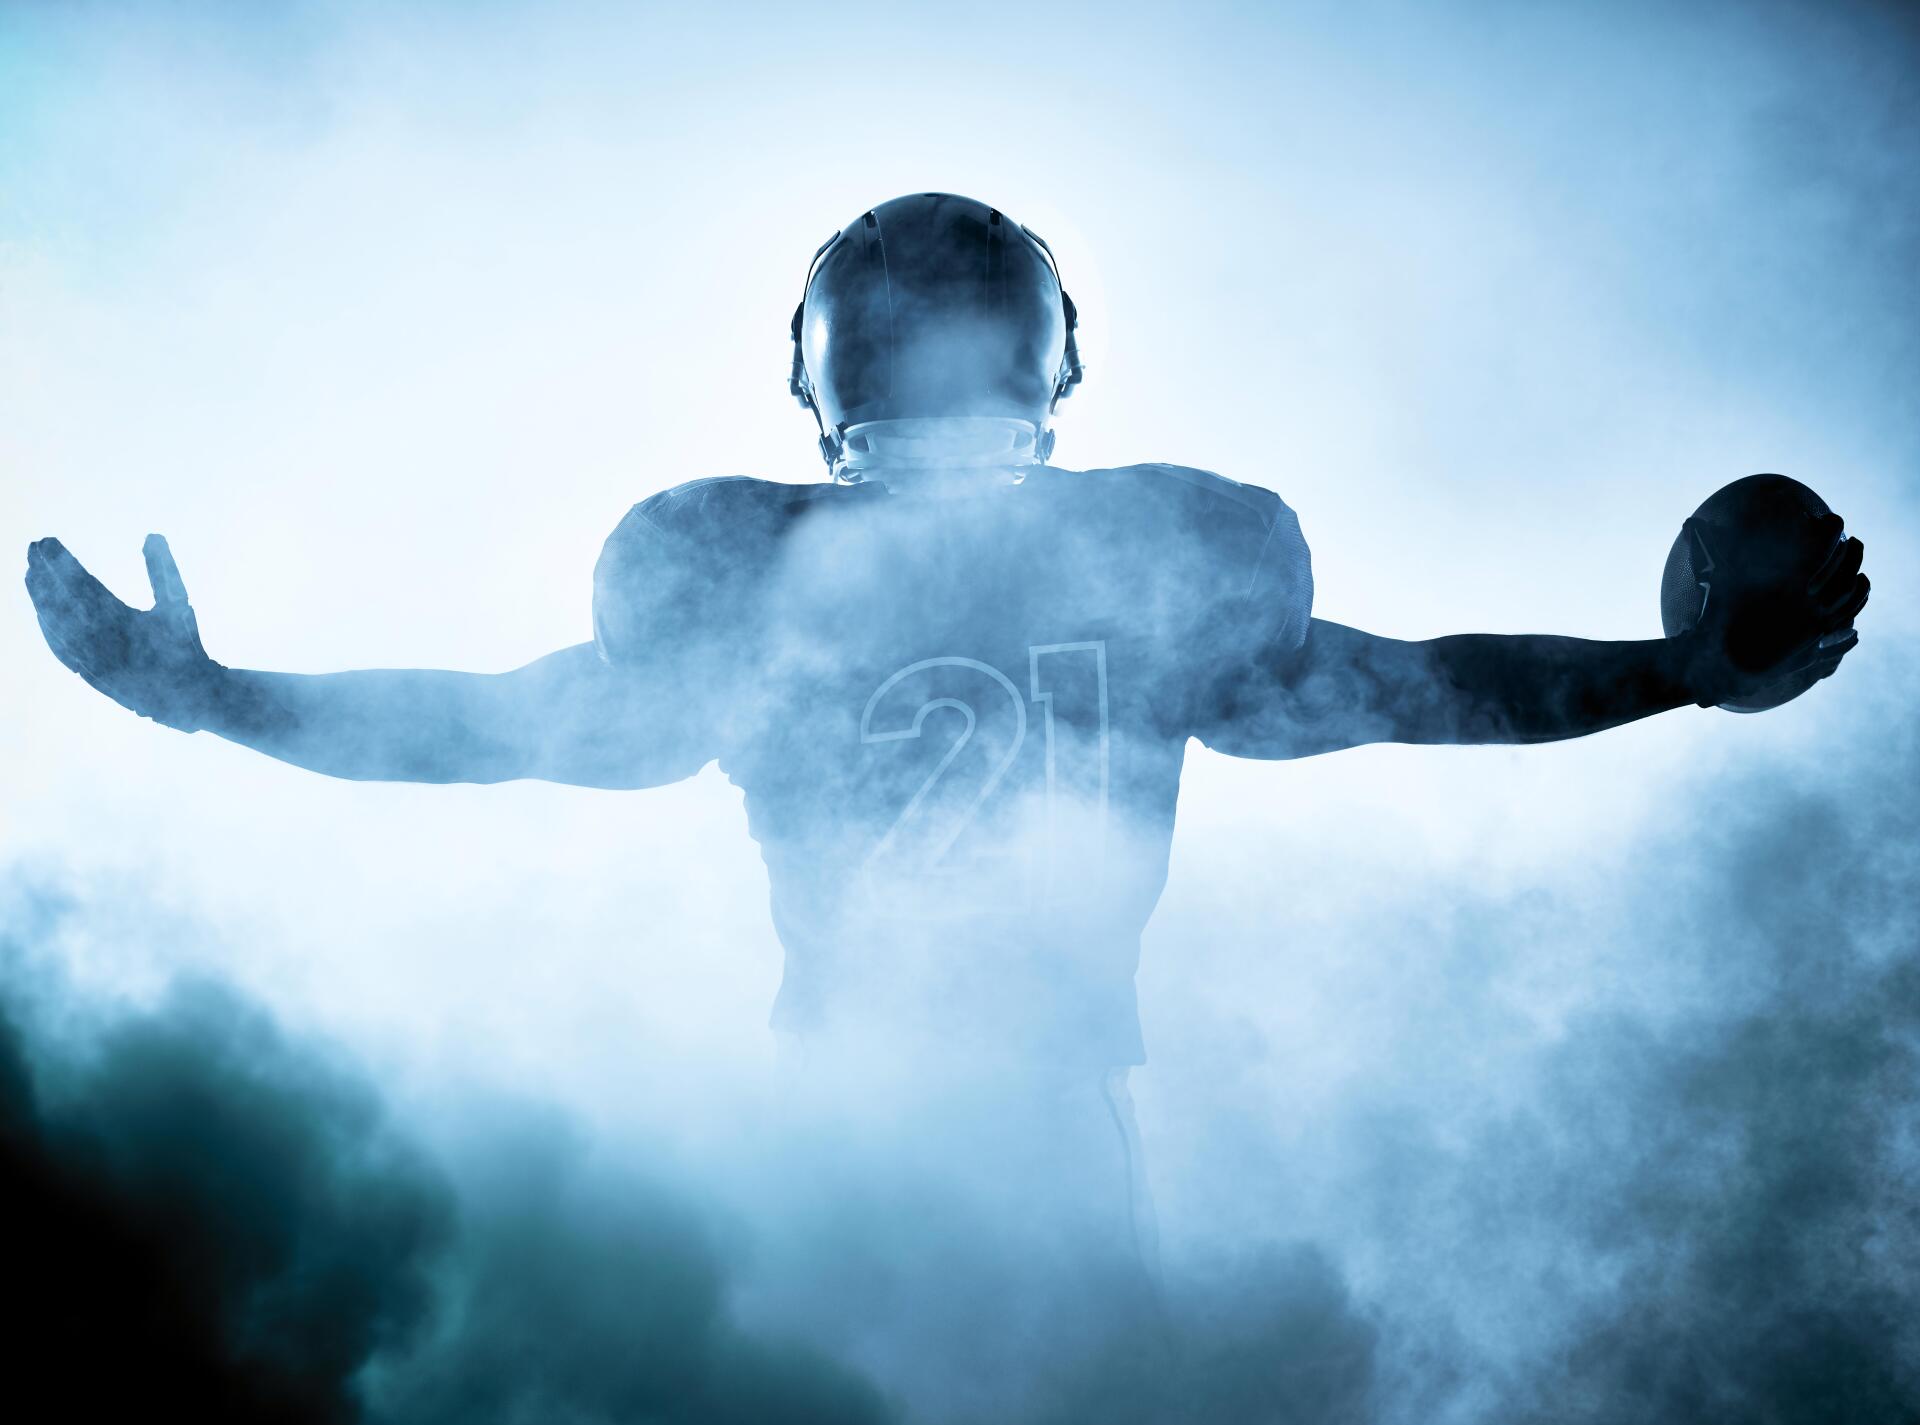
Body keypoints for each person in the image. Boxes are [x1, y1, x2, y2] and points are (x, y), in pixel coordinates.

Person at [23, 192, 1868, 1283]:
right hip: (1002, 1119)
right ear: (1058, 362)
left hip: (864, 1118)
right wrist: (1671, 667)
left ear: (814, 370)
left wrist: (223, 701)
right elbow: (1420, 689)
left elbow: (503, 731)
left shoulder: (744, 570)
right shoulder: (1157, 558)